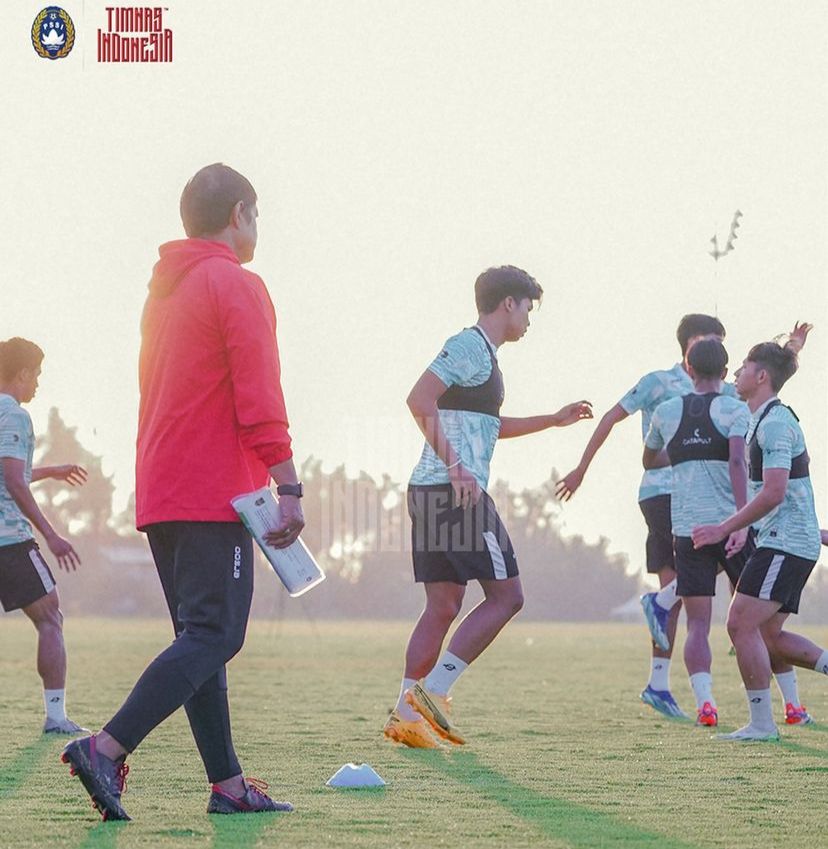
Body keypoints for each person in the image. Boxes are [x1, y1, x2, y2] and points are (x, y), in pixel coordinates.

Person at [62, 164, 305, 819]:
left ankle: (228, 786)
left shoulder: (165, 291)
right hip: (213, 493)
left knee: (201, 640)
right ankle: (105, 748)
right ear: (240, 214)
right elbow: (259, 394)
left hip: (163, 493)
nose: (259, 227)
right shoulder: (236, 282)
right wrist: (288, 483)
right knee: (216, 634)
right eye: (257, 215)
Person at [383, 265, 593, 748]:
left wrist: (552, 421)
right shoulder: (469, 345)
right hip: (455, 491)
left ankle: (404, 716)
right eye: (527, 308)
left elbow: (489, 424)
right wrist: (457, 465)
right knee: (508, 597)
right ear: (508, 305)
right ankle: (431, 694)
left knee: (442, 606)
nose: (528, 319)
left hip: (431, 490)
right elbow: (418, 399)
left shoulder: (485, 359)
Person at [556, 314, 729, 719]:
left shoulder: (722, 389)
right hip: (664, 493)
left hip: (702, 499)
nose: (720, 349)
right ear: (690, 344)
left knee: (686, 590)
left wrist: (790, 351)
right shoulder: (658, 382)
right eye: (712, 340)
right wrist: (582, 468)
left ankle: (657, 683)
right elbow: (611, 417)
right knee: (687, 585)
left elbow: (762, 392)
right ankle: (661, 662)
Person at [692, 338, 825, 741]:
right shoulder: (762, 418)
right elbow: (779, 494)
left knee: (739, 622)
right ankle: (764, 722)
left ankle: (763, 725)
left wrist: (725, 528)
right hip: (787, 539)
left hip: (785, 542)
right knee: (769, 636)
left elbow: (774, 492)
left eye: (745, 366)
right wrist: (792, 347)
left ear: (761, 376)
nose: (736, 372)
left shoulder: (776, 424)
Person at [642, 338, 750, 727]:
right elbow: (738, 460)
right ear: (725, 374)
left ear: (688, 371)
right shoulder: (737, 410)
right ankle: (776, 703)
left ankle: (706, 703)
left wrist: (685, 454)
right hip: (730, 525)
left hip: (687, 530)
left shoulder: (667, 412)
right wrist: (742, 517)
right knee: (754, 620)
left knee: (697, 624)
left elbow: (649, 457)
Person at [0, 337, 87, 735]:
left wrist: (48, 471)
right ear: (21, 374)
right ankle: (55, 717)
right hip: (10, 540)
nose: (37, 383)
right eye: (36, 374)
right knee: (50, 616)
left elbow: (11, 472)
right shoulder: (14, 414)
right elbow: (13, 483)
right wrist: (51, 535)